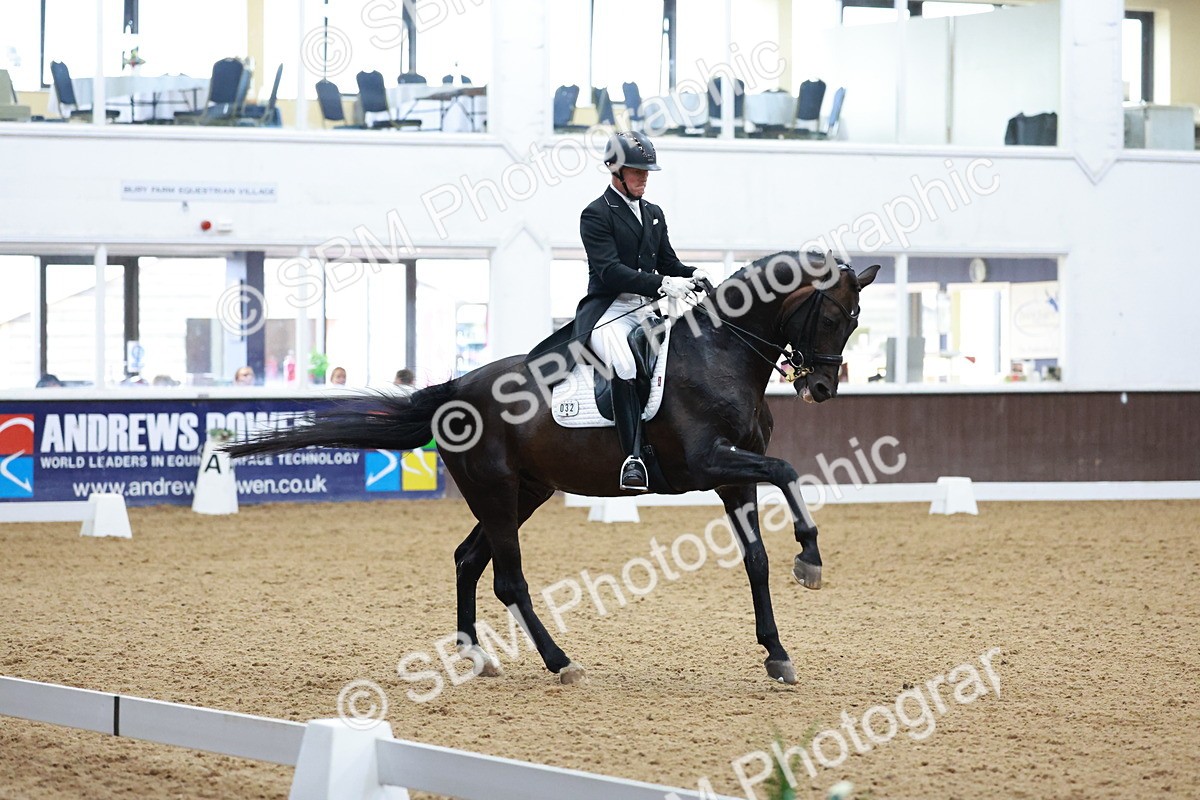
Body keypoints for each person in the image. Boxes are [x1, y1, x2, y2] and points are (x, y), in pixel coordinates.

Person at [527, 131, 710, 492]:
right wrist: (662, 283)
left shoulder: (653, 213)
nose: (644, 178)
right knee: (625, 365)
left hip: (646, 310)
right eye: (637, 171)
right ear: (616, 171)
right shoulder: (596, 214)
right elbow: (610, 271)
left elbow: (668, 262)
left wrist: (692, 273)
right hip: (608, 312)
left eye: (646, 172)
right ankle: (633, 459)